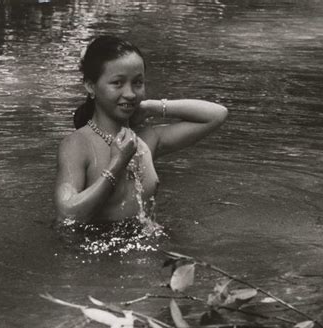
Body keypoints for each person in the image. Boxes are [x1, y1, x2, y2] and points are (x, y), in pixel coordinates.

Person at [55, 36, 228, 224]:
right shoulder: (77, 144)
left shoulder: (146, 139)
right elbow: (67, 212)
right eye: (117, 83)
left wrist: (149, 107)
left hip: (148, 245)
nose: (130, 94)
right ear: (90, 85)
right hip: (95, 251)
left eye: (137, 83)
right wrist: (117, 163)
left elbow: (216, 115)